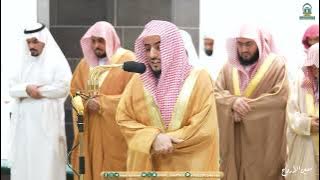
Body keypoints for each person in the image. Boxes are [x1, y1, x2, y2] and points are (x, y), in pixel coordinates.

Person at [116, 20, 220, 174]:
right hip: (147, 170)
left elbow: (204, 128)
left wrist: (166, 140)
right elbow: (123, 119)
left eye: (159, 47)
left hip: (186, 170)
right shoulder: (137, 82)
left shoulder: (200, 79)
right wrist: (153, 138)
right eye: (147, 48)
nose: (152, 55)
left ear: (173, 48)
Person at [214, 24, 289, 180]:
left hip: (263, 143)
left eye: (249, 44)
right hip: (233, 141)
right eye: (240, 44)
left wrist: (243, 110)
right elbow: (215, 94)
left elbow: (279, 99)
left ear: (259, 43)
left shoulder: (276, 66)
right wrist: (232, 103)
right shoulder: (228, 67)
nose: (243, 50)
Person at [70, 21, 135, 180]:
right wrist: (85, 103)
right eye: (93, 41)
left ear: (110, 40)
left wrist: (103, 104)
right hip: (90, 132)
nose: (96, 45)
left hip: (115, 136)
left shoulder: (127, 61)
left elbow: (134, 98)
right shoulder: (85, 64)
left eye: (101, 41)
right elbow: (74, 92)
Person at [9, 22, 72, 180]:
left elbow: (63, 88)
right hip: (23, 129)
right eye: (29, 42)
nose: (31, 45)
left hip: (47, 128)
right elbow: (11, 88)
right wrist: (27, 89)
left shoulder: (56, 62)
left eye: (35, 41)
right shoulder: (21, 64)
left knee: (47, 166)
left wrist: (38, 91)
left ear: (44, 40)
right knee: (24, 165)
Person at [286, 43, 319, 180]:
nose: (317, 69)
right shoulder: (300, 83)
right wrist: (307, 124)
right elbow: (291, 114)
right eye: (315, 65)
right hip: (306, 149)